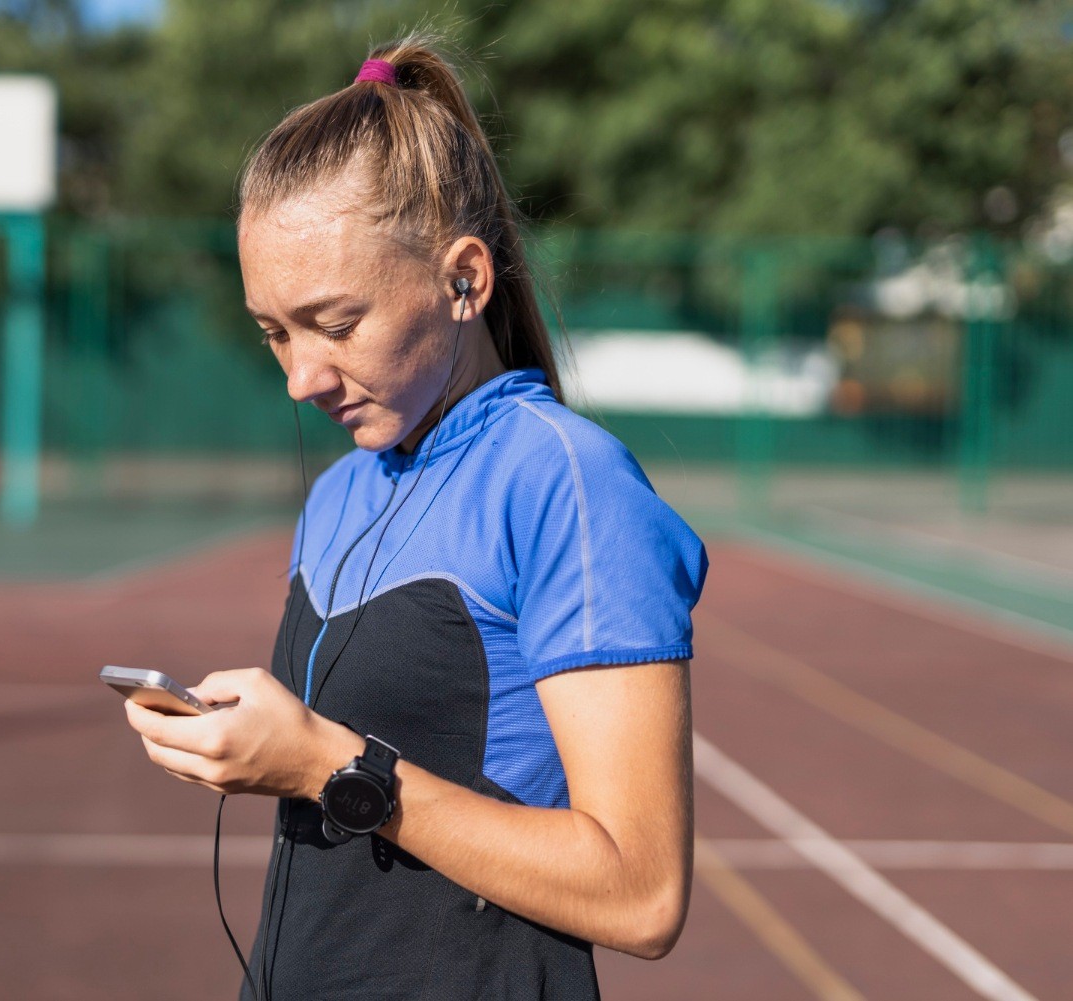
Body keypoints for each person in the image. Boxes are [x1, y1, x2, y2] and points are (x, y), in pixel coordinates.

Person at [122, 36, 708, 1000]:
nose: (301, 377)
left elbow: (643, 893)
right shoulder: (342, 488)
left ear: (464, 280)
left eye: (336, 325)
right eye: (273, 331)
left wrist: (325, 762)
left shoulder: (564, 480)